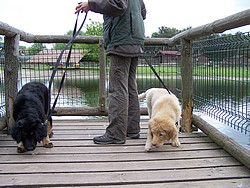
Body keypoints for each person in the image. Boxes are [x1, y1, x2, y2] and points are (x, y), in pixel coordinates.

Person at [75, 0, 147, 144]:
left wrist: (91, 4)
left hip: (121, 40)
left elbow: (118, 5)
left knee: (117, 89)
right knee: (130, 87)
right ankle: (131, 129)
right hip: (135, 40)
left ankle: (115, 134)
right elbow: (143, 13)